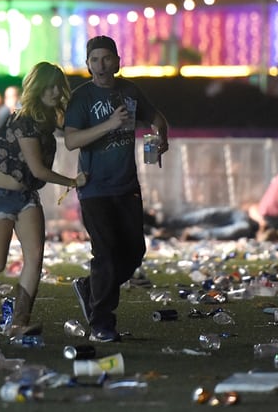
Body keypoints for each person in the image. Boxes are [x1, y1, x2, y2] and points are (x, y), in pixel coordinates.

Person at [0, 61, 86, 339]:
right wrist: (73, 182)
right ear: (36, 89)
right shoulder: (24, 120)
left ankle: (19, 323)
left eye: (57, 87)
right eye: (47, 87)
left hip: (25, 196)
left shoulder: (46, 120)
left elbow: (6, 151)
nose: (54, 92)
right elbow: (38, 170)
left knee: (35, 258)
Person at [63, 36, 169, 343]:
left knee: (134, 252)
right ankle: (101, 323)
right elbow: (71, 140)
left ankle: (90, 287)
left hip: (127, 185)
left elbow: (156, 118)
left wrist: (162, 138)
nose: (101, 65)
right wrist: (109, 124)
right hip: (94, 187)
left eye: (106, 58)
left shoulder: (130, 91)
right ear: (88, 65)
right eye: (94, 60)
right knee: (106, 254)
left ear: (117, 62)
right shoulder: (81, 97)